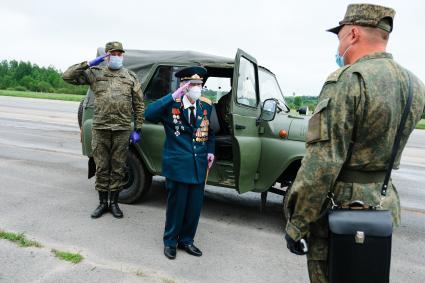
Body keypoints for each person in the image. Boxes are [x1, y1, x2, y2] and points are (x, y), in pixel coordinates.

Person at [283, 4, 425, 282]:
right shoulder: (414, 85)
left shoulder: (348, 81)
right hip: (381, 205)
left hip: (342, 210)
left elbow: (322, 164)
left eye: (339, 37)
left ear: (353, 34)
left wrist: (297, 223)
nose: (338, 46)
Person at [62, 41, 144, 219]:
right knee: (101, 167)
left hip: (122, 129)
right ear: (106, 56)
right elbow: (67, 76)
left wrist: (138, 127)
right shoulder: (95, 73)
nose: (117, 56)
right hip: (101, 128)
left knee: (118, 167)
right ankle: (101, 203)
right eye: (113, 53)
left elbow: (138, 104)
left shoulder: (130, 77)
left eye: (119, 53)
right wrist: (90, 63)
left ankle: (113, 203)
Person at [144, 66, 215, 260]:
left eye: (200, 84)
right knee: (177, 208)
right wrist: (173, 95)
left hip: (198, 166)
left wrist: (210, 151)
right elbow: (149, 114)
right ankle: (170, 242)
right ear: (184, 85)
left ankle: (187, 240)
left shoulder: (206, 106)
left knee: (193, 209)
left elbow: (211, 133)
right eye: (193, 84)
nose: (197, 88)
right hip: (177, 166)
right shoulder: (171, 105)